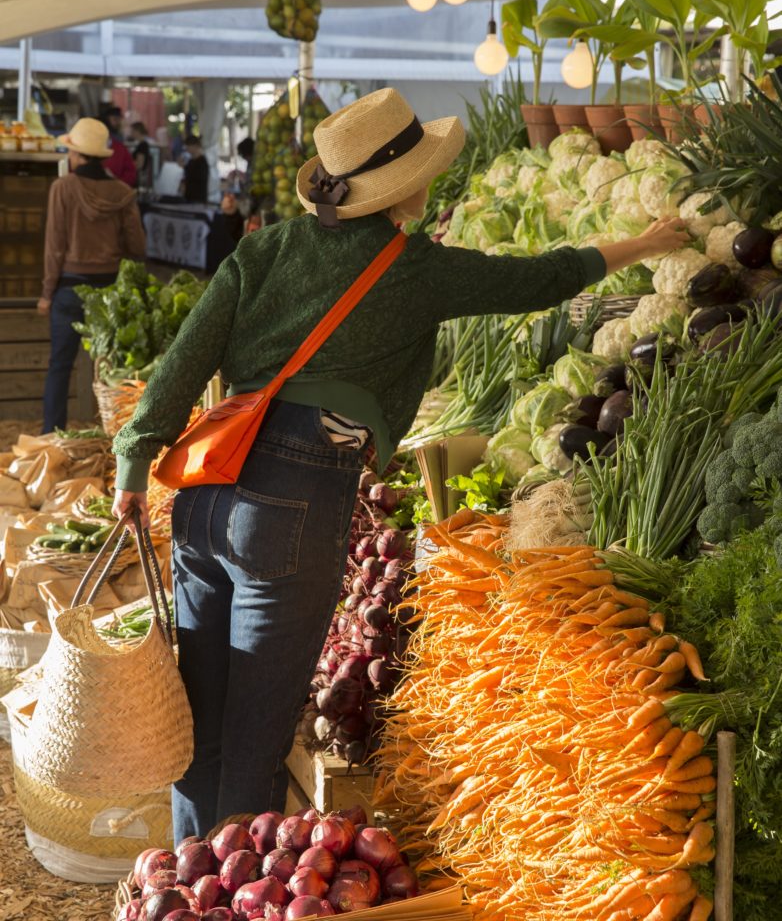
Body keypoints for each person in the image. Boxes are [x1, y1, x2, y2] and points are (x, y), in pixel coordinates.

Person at [110, 88, 688, 844]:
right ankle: (233, 894)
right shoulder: (412, 269)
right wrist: (643, 246)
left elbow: (180, 365)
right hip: (294, 496)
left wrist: (131, 466)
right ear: (395, 185)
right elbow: (537, 281)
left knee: (203, 730)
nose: (430, 179)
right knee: (255, 744)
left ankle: (187, 888)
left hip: (206, 492)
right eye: (421, 168)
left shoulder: (265, 248)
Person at [39, 118, 146, 432]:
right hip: (110, 293)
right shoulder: (123, 192)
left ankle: (51, 435)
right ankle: (114, 435)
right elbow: (137, 246)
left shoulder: (63, 188)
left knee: (60, 366)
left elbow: (54, 246)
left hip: (69, 289)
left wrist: (47, 293)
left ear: (75, 155)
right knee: (112, 371)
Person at [102, 105, 137, 187]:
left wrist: (117, 183)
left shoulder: (118, 143)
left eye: (118, 119)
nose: (117, 122)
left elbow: (130, 172)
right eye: (114, 119)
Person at [181, 134, 209, 203]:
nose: (187, 149)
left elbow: (197, 178)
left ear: (195, 146)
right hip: (189, 197)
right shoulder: (191, 160)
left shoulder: (202, 162)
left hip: (198, 198)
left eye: (188, 146)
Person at [130, 121, 153, 189]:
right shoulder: (142, 144)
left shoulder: (142, 145)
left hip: (138, 177)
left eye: (132, 131)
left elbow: (140, 164)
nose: (131, 133)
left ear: (137, 131)